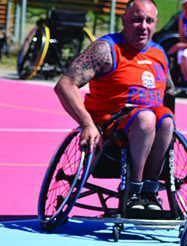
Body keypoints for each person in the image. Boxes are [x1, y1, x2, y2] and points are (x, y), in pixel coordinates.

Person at [54, 0, 175, 211]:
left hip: (147, 129)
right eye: (137, 20)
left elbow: (170, 91)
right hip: (112, 126)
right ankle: (133, 190)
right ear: (124, 20)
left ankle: (150, 190)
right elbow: (65, 85)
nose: (143, 26)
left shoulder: (159, 54)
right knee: (146, 117)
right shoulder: (106, 49)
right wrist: (86, 124)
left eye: (149, 21)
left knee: (166, 121)